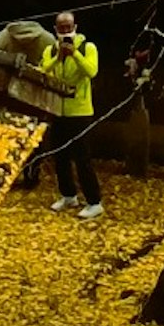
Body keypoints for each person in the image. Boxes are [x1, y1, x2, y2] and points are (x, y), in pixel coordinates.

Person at [37, 15, 104, 210]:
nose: (65, 31)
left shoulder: (88, 48)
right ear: (55, 29)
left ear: (75, 26)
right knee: (60, 157)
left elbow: (91, 71)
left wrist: (74, 54)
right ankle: (68, 195)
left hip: (80, 112)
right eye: (61, 28)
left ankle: (94, 201)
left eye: (68, 27)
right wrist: (58, 58)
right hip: (58, 110)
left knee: (82, 158)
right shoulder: (51, 50)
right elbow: (42, 72)